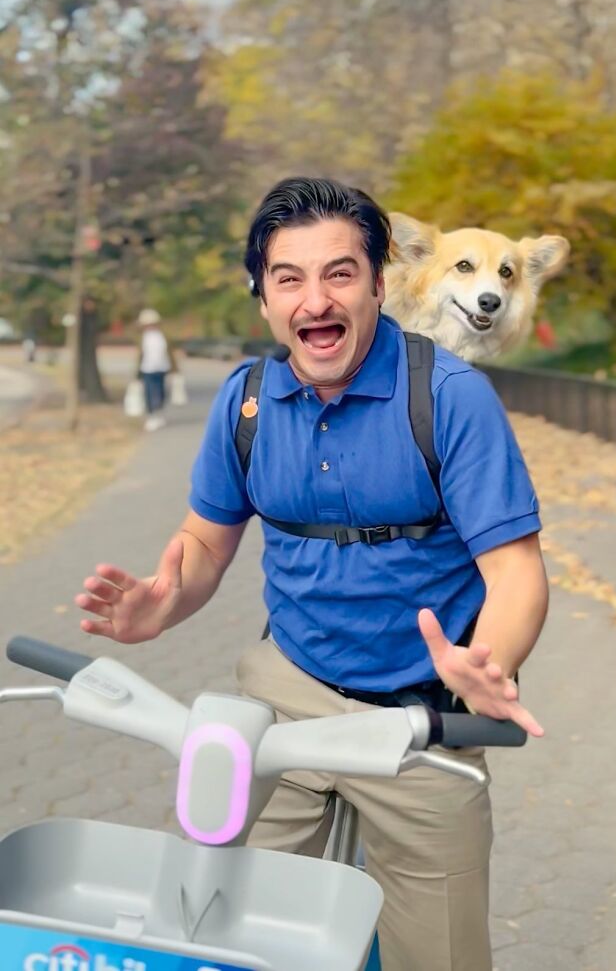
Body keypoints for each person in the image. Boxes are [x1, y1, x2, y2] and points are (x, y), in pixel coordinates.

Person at [75, 178, 549, 971]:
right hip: (282, 700)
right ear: (263, 296)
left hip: (421, 719)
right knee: (218, 930)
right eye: (288, 277)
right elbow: (205, 540)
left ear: (378, 283)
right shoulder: (247, 401)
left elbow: (516, 571)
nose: (314, 298)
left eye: (339, 272)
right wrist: (165, 601)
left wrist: (489, 662)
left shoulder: (450, 399)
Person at [136, 308, 175, 432]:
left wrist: (175, 369)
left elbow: (169, 354)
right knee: (148, 392)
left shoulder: (162, 336)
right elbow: (140, 355)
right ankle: (151, 415)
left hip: (162, 367)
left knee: (160, 391)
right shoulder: (143, 337)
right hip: (147, 368)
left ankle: (158, 412)